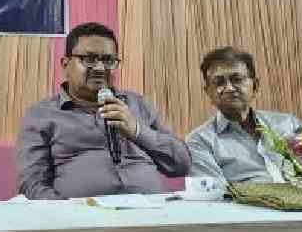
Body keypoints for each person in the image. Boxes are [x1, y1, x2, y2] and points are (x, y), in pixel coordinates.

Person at [16, 22, 191, 199]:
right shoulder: (41, 115)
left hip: (154, 213)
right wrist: (68, 214)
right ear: (65, 64)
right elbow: (32, 183)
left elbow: (182, 164)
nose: (100, 68)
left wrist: (137, 131)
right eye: (89, 59)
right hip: (84, 219)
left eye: (108, 60)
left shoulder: (137, 104)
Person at [185, 46, 302, 186]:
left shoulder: (289, 124)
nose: (229, 88)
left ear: (255, 86)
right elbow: (216, 196)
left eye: (237, 79)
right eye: (219, 82)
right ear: (208, 92)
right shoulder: (199, 141)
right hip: (249, 206)